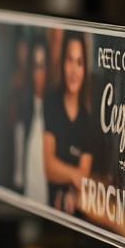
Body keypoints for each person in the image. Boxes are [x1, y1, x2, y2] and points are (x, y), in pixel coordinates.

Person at [43, 29, 95, 214]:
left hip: (76, 213)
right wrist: (73, 175)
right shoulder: (51, 102)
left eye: (79, 62)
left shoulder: (88, 123)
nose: (74, 70)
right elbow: (48, 166)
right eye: (70, 60)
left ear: (85, 68)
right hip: (48, 210)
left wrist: (67, 176)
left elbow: (84, 177)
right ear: (63, 63)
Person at [12, 30, 50, 205]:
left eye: (43, 66)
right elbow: (19, 176)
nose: (39, 74)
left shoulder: (55, 112)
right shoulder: (25, 110)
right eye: (36, 66)